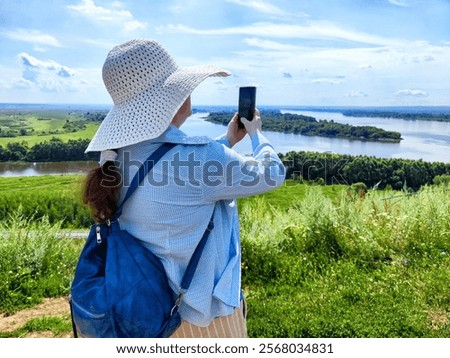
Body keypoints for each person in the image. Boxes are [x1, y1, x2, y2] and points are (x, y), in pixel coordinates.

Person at [83, 39, 285, 338]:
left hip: (146, 310)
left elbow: (175, 169)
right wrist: (256, 135)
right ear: (172, 97)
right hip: (201, 320)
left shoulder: (116, 155)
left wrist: (227, 140)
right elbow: (272, 173)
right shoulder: (199, 159)